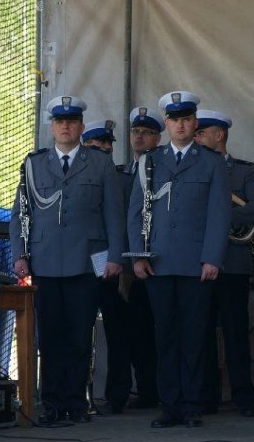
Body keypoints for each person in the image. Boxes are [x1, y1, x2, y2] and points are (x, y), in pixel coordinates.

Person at [10, 96, 126, 424]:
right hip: (45, 262)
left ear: (80, 126)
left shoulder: (100, 163)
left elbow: (113, 215)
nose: (65, 126)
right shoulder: (34, 164)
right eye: (60, 121)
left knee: (80, 335)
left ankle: (76, 403)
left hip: (88, 261)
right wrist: (20, 254)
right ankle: (52, 404)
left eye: (72, 121)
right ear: (52, 127)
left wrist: (113, 258)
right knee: (49, 337)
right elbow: (20, 214)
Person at [127, 91, 230, 428]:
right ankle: (169, 404)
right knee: (165, 335)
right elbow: (136, 213)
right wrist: (138, 258)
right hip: (158, 261)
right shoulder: (150, 161)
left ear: (194, 123)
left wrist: (212, 257)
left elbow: (219, 215)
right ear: (167, 124)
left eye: (187, 119)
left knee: (194, 336)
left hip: (196, 263)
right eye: (175, 119)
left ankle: (191, 405)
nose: (181, 124)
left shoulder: (211, 162)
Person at [194, 109, 254, 417]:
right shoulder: (190, 167)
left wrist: (218, 218)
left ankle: (243, 396)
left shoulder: (244, 172)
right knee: (201, 332)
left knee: (236, 333)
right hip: (198, 262)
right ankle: (206, 397)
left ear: (219, 135)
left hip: (233, 261)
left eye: (202, 131)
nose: (196, 135)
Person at [81, 118, 131, 415]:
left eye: (108, 145)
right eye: (97, 145)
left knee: (118, 334)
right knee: (79, 333)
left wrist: (121, 261)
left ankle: (117, 395)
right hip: (80, 265)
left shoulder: (122, 178)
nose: (104, 149)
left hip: (111, 266)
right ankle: (79, 395)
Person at [116, 107, 164, 410]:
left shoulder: (163, 168)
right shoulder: (121, 174)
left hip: (159, 262)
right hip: (127, 266)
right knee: (135, 332)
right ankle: (144, 390)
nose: (140, 138)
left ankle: (162, 390)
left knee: (161, 330)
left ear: (158, 138)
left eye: (146, 133)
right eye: (135, 132)